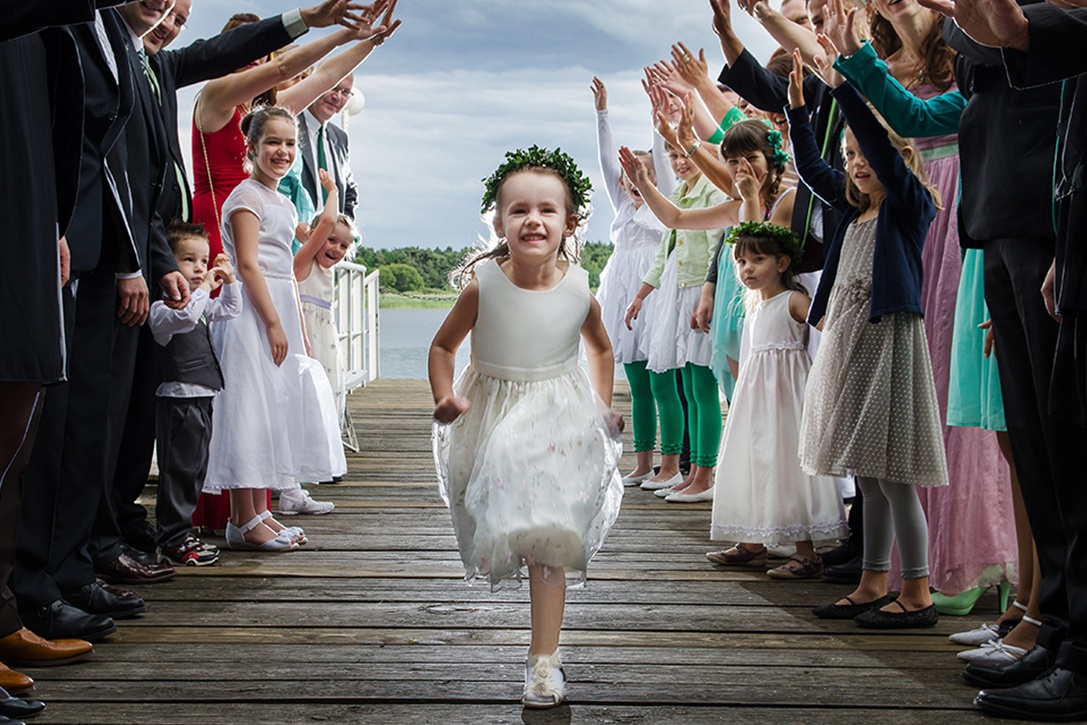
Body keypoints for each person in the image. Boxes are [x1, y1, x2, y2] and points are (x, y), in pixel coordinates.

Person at [428, 146, 624, 709]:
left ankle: (544, 662)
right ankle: (541, 652)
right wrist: (445, 395)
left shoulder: (579, 288)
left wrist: (602, 406)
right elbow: (443, 346)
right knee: (509, 522)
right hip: (491, 408)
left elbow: (602, 351)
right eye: (518, 210)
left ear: (569, 222)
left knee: (548, 536)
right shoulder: (483, 285)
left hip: (558, 415)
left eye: (547, 210)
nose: (532, 220)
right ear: (499, 220)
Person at [785, 49, 948, 628]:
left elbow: (879, 149)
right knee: (867, 472)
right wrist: (799, 108)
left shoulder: (909, 207)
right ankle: (872, 580)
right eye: (849, 155)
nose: (856, 164)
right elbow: (810, 165)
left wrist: (849, 93)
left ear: (896, 157)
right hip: (851, 344)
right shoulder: (853, 214)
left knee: (894, 472)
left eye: (864, 154)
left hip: (888, 343)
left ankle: (919, 592)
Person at [203, 106, 346, 550]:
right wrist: (271, 323)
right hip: (251, 312)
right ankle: (241, 519)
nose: (281, 151)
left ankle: (259, 512)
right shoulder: (246, 198)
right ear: (252, 147)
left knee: (270, 408)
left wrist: (294, 325)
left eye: (288, 143)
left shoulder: (282, 201)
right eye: (272, 143)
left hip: (278, 305)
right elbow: (248, 264)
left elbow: (286, 267)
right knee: (248, 407)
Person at [704, 222, 847, 577]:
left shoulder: (793, 300)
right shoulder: (754, 306)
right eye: (741, 262)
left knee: (786, 464)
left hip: (787, 394)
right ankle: (754, 541)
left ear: (782, 264)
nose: (747, 269)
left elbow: (829, 330)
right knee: (757, 459)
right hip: (757, 395)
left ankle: (806, 552)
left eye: (757, 259)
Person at [590, 76, 679, 490]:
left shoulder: (666, 204)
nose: (632, 180)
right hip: (622, 292)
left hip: (656, 290)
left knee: (664, 384)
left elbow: (660, 155)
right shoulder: (623, 205)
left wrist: (655, 119)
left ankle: (671, 464)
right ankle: (643, 462)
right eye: (628, 175)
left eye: (640, 173)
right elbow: (608, 162)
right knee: (638, 383)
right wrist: (602, 113)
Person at [149, 223, 242, 566]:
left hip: (202, 396)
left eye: (203, 260)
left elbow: (231, 309)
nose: (200, 268)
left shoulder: (199, 301)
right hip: (179, 397)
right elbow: (187, 318)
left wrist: (229, 281)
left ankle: (180, 532)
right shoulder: (163, 308)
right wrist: (203, 287)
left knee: (195, 468)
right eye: (189, 260)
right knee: (179, 470)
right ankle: (172, 536)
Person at [282, 170, 356, 517]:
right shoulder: (303, 265)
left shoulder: (326, 272)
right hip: (306, 347)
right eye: (331, 241)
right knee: (300, 408)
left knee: (321, 406)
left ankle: (305, 476)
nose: (337, 249)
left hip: (325, 348)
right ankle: (291, 484)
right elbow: (322, 226)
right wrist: (332, 191)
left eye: (344, 244)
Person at [296, 74, 360, 220]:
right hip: (293, 237)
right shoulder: (289, 125)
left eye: (345, 92)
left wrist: (343, 227)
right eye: (333, 87)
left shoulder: (340, 138)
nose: (337, 97)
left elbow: (349, 191)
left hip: (330, 239)